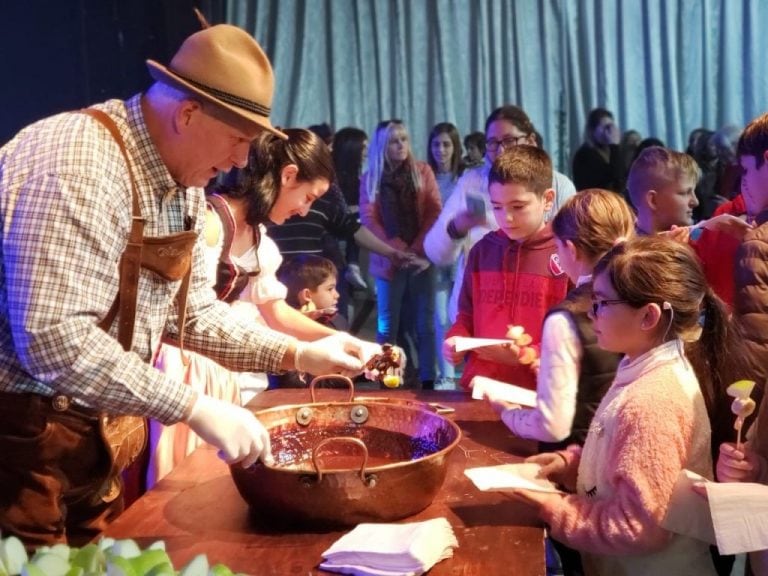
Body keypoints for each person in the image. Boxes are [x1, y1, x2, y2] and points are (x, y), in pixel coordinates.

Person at [0, 24, 369, 546]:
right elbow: (53, 341)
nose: (243, 161)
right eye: (239, 139)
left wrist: (300, 354)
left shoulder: (184, 186)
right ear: (188, 113)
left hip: (90, 435)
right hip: (17, 440)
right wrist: (194, 407)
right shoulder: (77, 163)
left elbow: (191, 312)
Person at [508, 235, 741, 576]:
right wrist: (570, 463)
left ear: (648, 317)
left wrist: (555, 507)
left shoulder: (653, 398)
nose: (592, 312)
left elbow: (638, 527)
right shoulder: (644, 366)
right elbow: (630, 460)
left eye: (602, 302)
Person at [489, 188, 634, 450]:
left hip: (577, 463)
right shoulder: (640, 299)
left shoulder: (565, 319)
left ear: (569, 248)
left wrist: (508, 412)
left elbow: (552, 425)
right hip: (623, 450)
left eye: (556, 246)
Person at [425, 104, 576, 325]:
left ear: (530, 139)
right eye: (493, 143)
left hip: (539, 314)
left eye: (509, 140)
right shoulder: (473, 182)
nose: (501, 151)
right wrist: (457, 227)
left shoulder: (558, 185)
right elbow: (436, 252)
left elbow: (573, 256)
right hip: (479, 315)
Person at [442, 146, 569, 392]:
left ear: (548, 200)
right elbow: (465, 317)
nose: (506, 218)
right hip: (481, 388)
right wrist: (454, 340)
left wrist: (532, 354)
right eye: (497, 207)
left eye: (518, 207)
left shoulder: (566, 253)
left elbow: (577, 330)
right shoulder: (482, 251)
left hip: (540, 393)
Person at [360, 119, 442, 388]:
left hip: (420, 259)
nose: (402, 145)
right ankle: (388, 377)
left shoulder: (422, 171)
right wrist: (396, 248)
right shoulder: (371, 178)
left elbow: (434, 211)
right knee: (387, 326)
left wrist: (416, 248)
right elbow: (369, 220)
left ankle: (429, 379)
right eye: (395, 141)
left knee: (425, 325)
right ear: (383, 146)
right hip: (388, 260)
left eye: (405, 139)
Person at [627, 146, 748, 307]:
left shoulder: (691, 237)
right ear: (653, 200)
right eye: (685, 193)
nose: (695, 202)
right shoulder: (627, 260)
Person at [427, 122, 464, 386]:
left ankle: (460, 369)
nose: (441, 150)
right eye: (436, 144)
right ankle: (446, 374)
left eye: (446, 144)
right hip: (436, 253)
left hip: (462, 254)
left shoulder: (464, 177)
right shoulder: (426, 175)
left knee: (459, 313)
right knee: (439, 317)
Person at [571, 108, 624, 193]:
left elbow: (621, 181)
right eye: (605, 127)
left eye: (610, 127)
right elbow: (612, 177)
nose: (609, 132)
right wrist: (614, 145)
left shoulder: (610, 151)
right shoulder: (584, 155)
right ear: (592, 130)